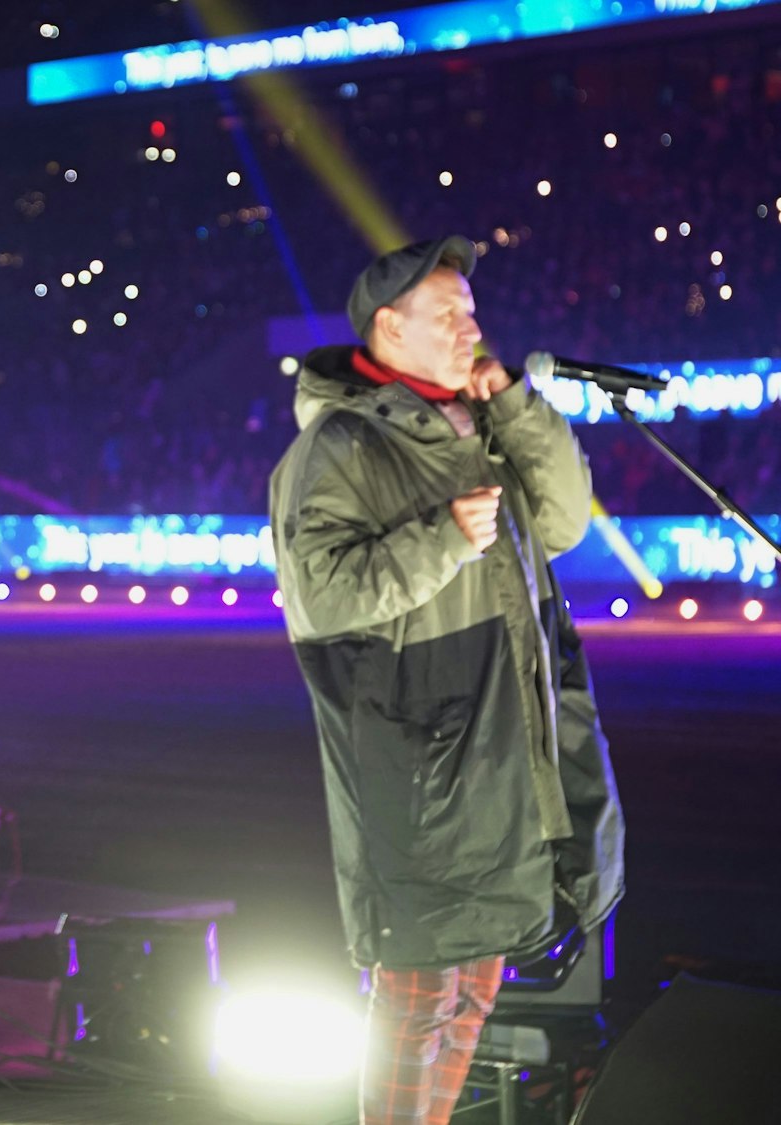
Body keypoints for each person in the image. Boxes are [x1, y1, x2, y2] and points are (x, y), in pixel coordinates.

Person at [268, 237, 624, 1125]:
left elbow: (567, 520)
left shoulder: (481, 419)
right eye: (447, 314)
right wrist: (442, 540)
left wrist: (516, 404)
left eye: (470, 308)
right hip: (422, 754)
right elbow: (319, 597)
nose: (471, 326)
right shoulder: (342, 443)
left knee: (476, 982)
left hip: (504, 742)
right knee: (419, 987)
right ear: (389, 328)